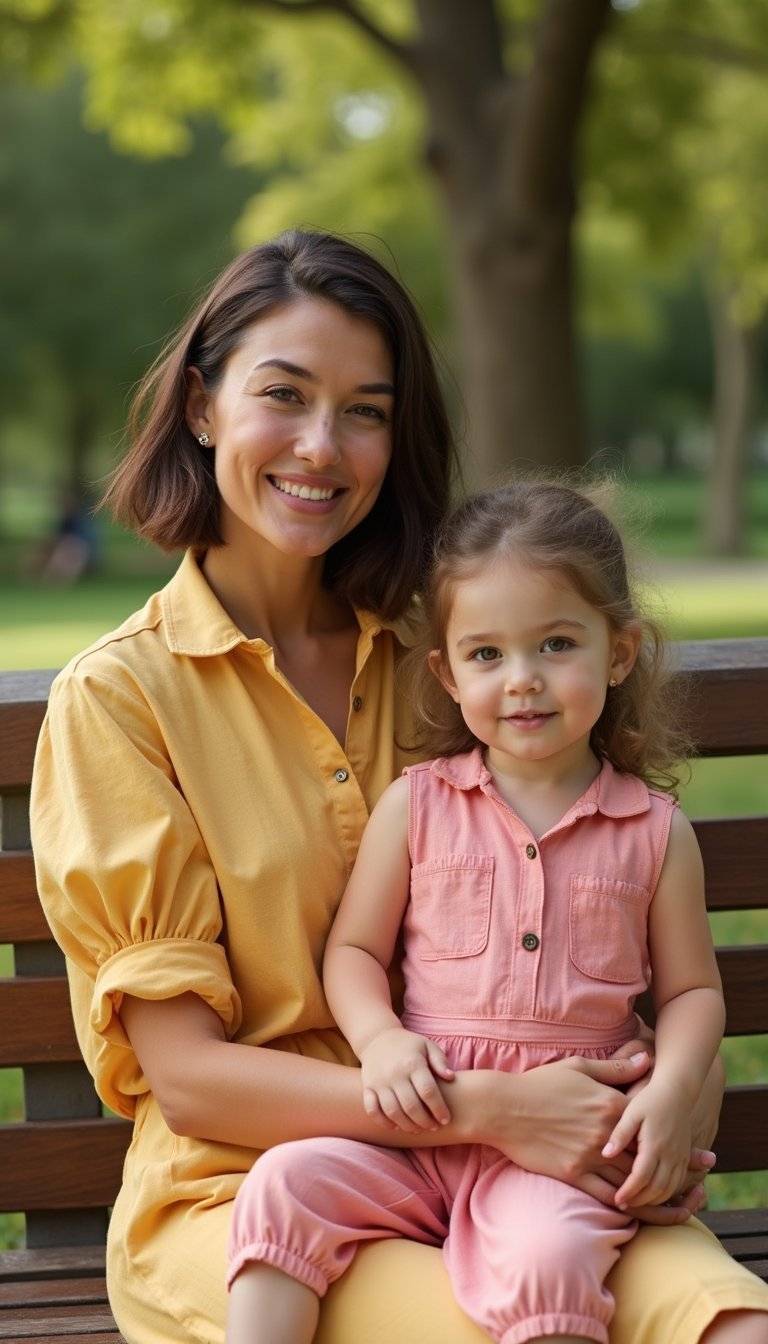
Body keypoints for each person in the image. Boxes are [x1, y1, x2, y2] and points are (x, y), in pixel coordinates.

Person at [29, 231, 768, 1344]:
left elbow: (632, 963)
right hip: (259, 1199)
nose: (323, 446)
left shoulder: (466, 664)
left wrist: (652, 1125)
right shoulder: (123, 701)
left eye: (367, 410)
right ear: (201, 407)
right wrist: (495, 1110)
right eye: (285, 394)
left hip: (539, 1180)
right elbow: (188, 1082)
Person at [223, 477, 736, 1344]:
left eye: (556, 645)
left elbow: (691, 994)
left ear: (618, 654)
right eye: (487, 654)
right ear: (448, 674)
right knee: (285, 1184)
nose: (524, 681)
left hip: (563, 1147)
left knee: (544, 1259)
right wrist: (381, 1041)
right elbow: (353, 950)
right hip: (422, 1124)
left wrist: (676, 1086)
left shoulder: (652, 833)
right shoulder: (417, 807)